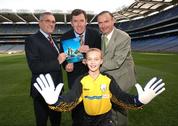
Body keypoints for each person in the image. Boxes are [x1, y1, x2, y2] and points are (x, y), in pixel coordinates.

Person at [33, 48, 165, 126]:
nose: (93, 62)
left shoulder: (108, 79)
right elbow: (71, 99)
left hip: (106, 120)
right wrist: (55, 102)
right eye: (90, 59)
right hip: (86, 120)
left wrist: (138, 101)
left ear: (101, 61)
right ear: (85, 61)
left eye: (96, 59)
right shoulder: (81, 80)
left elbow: (121, 97)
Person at [60, 9, 101, 125]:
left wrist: (90, 51)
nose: (79, 24)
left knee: (93, 105)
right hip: (74, 77)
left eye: (81, 20)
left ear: (86, 21)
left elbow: (100, 54)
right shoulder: (65, 37)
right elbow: (62, 57)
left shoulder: (95, 34)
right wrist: (66, 65)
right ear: (71, 23)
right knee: (77, 107)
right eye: (75, 21)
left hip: (92, 76)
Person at [25, 12, 66, 126]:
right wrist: (57, 61)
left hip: (56, 90)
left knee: (56, 121)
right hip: (42, 90)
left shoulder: (52, 39)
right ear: (40, 23)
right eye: (48, 21)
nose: (51, 24)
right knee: (42, 122)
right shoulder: (32, 40)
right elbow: (34, 66)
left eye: (53, 22)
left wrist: (66, 65)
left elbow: (58, 61)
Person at [97, 11, 136, 126]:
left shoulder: (123, 37)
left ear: (113, 20)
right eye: (100, 23)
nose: (103, 25)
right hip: (110, 77)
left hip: (122, 78)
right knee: (111, 108)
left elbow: (116, 62)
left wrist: (95, 67)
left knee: (120, 109)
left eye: (106, 21)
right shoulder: (103, 36)